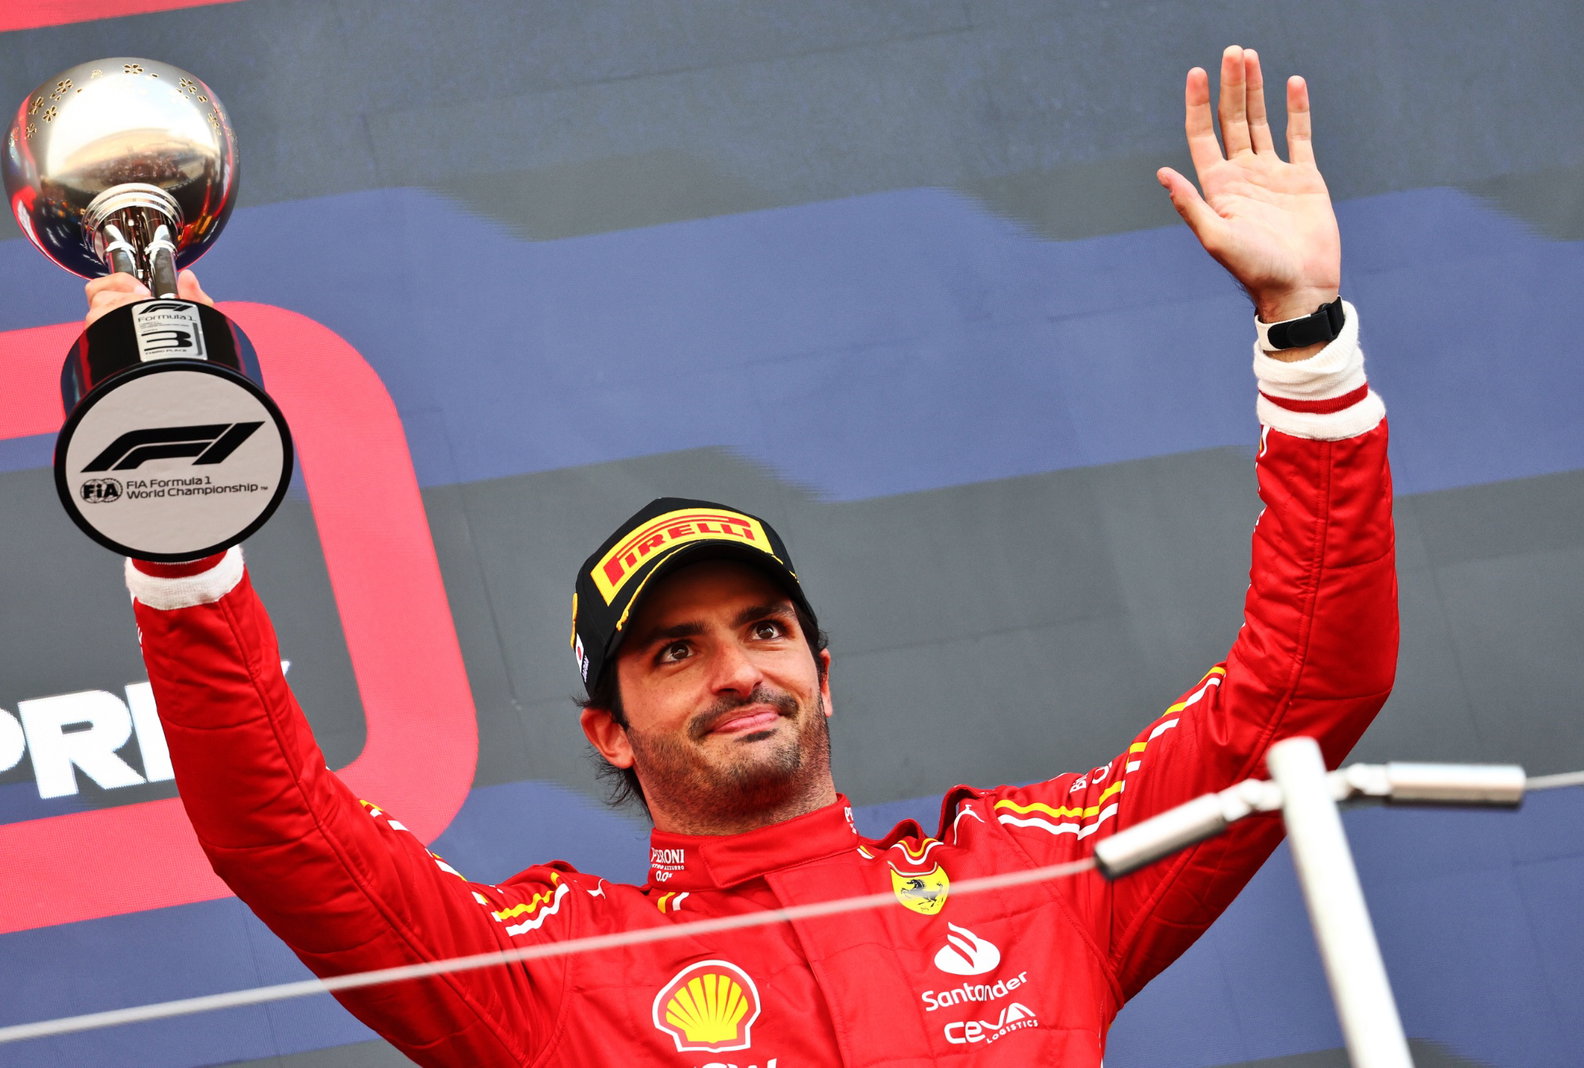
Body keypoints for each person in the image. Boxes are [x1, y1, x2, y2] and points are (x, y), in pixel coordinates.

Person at [91, 46, 1396, 1066]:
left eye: (764, 630)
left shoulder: (1037, 875)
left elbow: (1304, 693)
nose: (736, 670)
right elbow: (279, 831)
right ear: (607, 729)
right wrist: (179, 518)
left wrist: (1305, 330)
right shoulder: (542, 971)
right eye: (674, 649)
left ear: (824, 670)